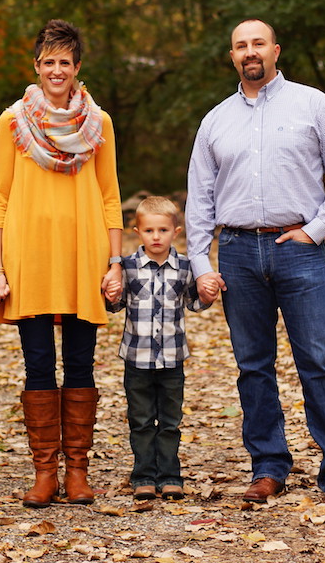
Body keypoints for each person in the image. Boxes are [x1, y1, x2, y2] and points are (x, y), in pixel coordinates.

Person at [185, 19, 325, 509]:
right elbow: (200, 199)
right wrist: (201, 262)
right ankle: (268, 466)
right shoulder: (215, 121)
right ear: (232, 56)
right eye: (241, 46)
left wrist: (315, 229)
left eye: (258, 43)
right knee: (253, 366)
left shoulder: (314, 105)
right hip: (239, 254)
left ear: (275, 50)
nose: (250, 52)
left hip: (299, 249)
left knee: (320, 360)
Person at [0, 19, 123, 508]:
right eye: (49, 61)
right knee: (39, 364)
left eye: (65, 61)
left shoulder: (98, 123)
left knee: (81, 363)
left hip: (84, 260)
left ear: (77, 66)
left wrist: (114, 262)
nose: (57, 69)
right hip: (30, 260)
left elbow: (110, 197)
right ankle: (45, 473)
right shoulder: (12, 121)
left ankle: (78, 472)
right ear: (36, 67)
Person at [105, 196, 213, 501]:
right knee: (140, 421)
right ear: (137, 232)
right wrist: (111, 293)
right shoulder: (126, 267)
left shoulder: (184, 267)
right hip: (136, 359)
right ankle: (143, 476)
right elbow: (115, 306)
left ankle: (169, 476)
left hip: (172, 359)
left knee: (169, 421)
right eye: (149, 230)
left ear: (175, 232)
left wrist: (207, 295)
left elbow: (195, 303)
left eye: (163, 230)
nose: (156, 237)